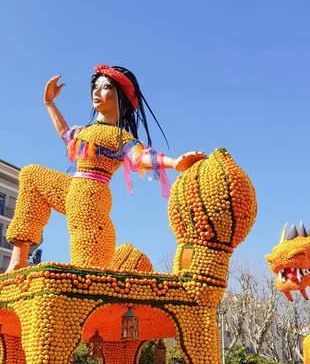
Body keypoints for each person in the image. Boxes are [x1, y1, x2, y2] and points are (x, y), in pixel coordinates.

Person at [5, 66, 205, 272]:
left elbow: (141, 156)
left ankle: (115, 273)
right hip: (73, 188)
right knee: (31, 174)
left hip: (92, 201)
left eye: (105, 87)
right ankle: (18, 260)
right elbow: (65, 133)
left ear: (121, 99)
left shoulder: (121, 137)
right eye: (95, 86)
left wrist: (174, 163)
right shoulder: (85, 131)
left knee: (87, 272)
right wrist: (49, 103)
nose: (96, 92)